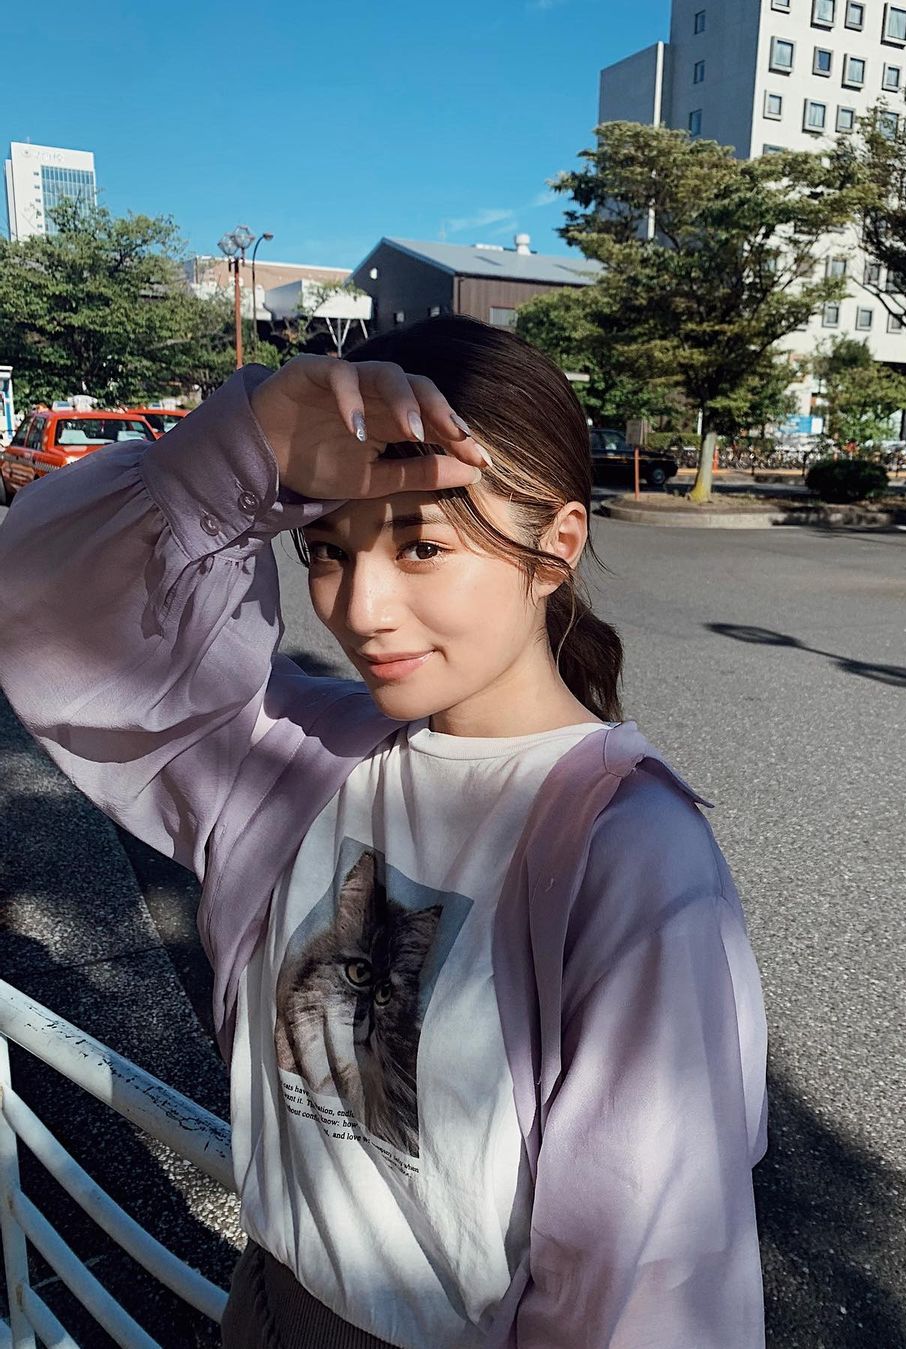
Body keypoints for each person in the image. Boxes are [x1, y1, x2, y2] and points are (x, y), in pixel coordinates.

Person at [0, 315, 768, 1348]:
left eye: (423, 546)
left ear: (556, 547)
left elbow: (648, 1277)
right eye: (328, 549)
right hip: (264, 1304)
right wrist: (236, 451)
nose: (361, 608)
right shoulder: (303, 754)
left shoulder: (625, 850)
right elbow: (42, 605)